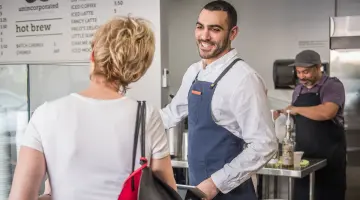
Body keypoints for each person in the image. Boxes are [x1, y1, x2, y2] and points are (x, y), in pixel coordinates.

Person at [9, 16, 177, 200]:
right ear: (137, 71)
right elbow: (167, 193)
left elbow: (20, 197)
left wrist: (51, 195)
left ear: (93, 54)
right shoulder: (147, 115)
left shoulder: (45, 114)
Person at [161, 1, 277, 199]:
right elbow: (171, 114)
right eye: (200, 27)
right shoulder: (194, 72)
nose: (204, 36)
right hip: (198, 187)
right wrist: (131, 123)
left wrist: (215, 184)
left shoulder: (244, 79)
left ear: (233, 33)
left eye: (214, 29)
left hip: (231, 193)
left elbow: (265, 144)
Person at [274, 49, 347, 200]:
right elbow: (299, 116)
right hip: (304, 157)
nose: (301, 76)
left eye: (306, 72)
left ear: (318, 67)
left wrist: (297, 109)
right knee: (302, 195)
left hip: (329, 156)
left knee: (327, 195)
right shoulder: (299, 90)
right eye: (299, 72)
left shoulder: (332, 85)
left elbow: (328, 112)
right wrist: (284, 113)